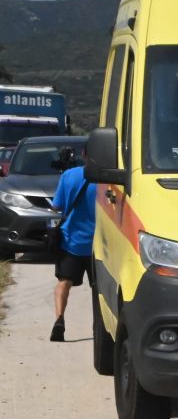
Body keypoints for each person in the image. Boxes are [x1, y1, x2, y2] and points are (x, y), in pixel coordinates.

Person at [50, 146, 95, 342]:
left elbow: (57, 206)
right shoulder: (108, 180)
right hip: (99, 244)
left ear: (83, 155)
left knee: (63, 283)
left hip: (71, 241)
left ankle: (59, 318)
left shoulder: (69, 175)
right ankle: (99, 325)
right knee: (99, 289)